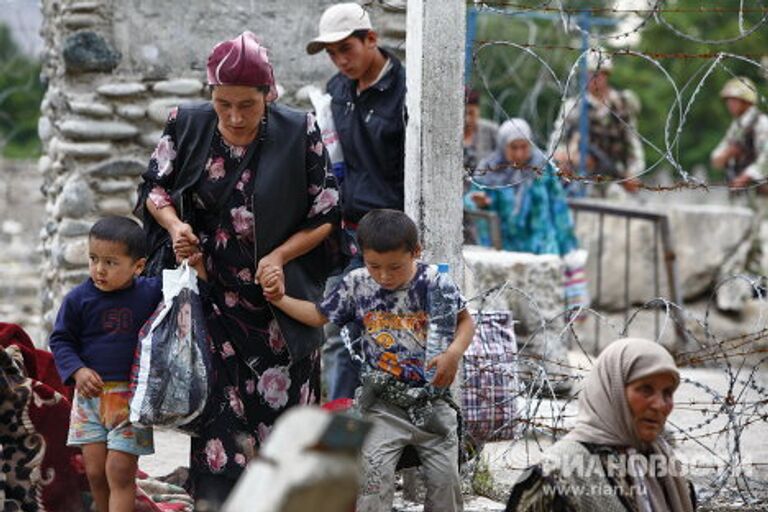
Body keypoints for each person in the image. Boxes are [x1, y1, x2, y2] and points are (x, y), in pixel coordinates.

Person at [134, 31, 340, 507]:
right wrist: (174, 226)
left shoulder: (299, 131)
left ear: (269, 94)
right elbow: (155, 187)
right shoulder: (186, 124)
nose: (234, 116)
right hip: (211, 301)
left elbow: (327, 212)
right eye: (223, 103)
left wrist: (280, 255)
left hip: (279, 307)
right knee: (218, 431)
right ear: (210, 94)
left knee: (286, 427)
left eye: (247, 104)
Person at [263, 209, 475, 512]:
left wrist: (453, 354)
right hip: (382, 407)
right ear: (361, 255)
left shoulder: (435, 284)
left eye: (395, 267)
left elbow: (466, 322)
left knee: (446, 488)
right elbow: (319, 315)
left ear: (416, 252)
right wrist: (279, 299)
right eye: (374, 265)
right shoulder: (357, 284)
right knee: (372, 485)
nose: (384, 276)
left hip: (434, 407)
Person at [307, 2, 407, 400]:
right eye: (332, 54)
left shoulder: (406, 90)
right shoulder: (336, 91)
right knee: (338, 334)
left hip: (393, 233)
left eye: (346, 49)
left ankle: (392, 434)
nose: (339, 61)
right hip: (349, 233)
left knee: (392, 335)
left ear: (371, 39)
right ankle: (340, 435)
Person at [48, 216, 165, 512]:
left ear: (138, 266)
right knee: (96, 473)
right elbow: (61, 340)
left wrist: (194, 262)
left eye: (111, 262)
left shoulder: (150, 292)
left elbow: (185, 289)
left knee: (119, 472)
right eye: (93, 259)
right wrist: (77, 370)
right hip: (89, 400)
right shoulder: (78, 300)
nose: (99, 269)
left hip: (131, 402)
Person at [505, 337, 697, 511]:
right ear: (612, 392)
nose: (659, 405)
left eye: (667, 393)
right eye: (645, 389)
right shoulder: (556, 477)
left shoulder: (670, 476)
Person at [465, 118, 579, 256]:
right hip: (504, 248)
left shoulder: (543, 166)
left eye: (524, 146)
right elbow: (469, 200)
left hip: (542, 248)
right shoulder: (489, 169)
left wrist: (567, 248)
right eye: (513, 147)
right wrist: (478, 202)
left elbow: (558, 205)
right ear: (503, 145)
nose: (519, 154)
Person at [549, 48, 644, 196]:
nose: (594, 78)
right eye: (590, 74)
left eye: (598, 74)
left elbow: (633, 144)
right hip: (582, 178)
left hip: (615, 177)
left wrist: (632, 174)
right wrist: (569, 158)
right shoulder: (573, 107)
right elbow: (555, 144)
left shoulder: (621, 104)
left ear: (607, 75)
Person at [711, 76, 768, 190]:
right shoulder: (736, 126)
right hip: (747, 192)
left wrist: (745, 177)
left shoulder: (761, 123)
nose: (729, 104)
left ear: (746, 101)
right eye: (728, 100)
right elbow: (716, 159)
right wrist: (730, 153)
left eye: (734, 100)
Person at [464, 87, 499, 174]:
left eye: (471, 113)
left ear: (478, 110)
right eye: (463, 113)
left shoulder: (491, 131)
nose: (467, 119)